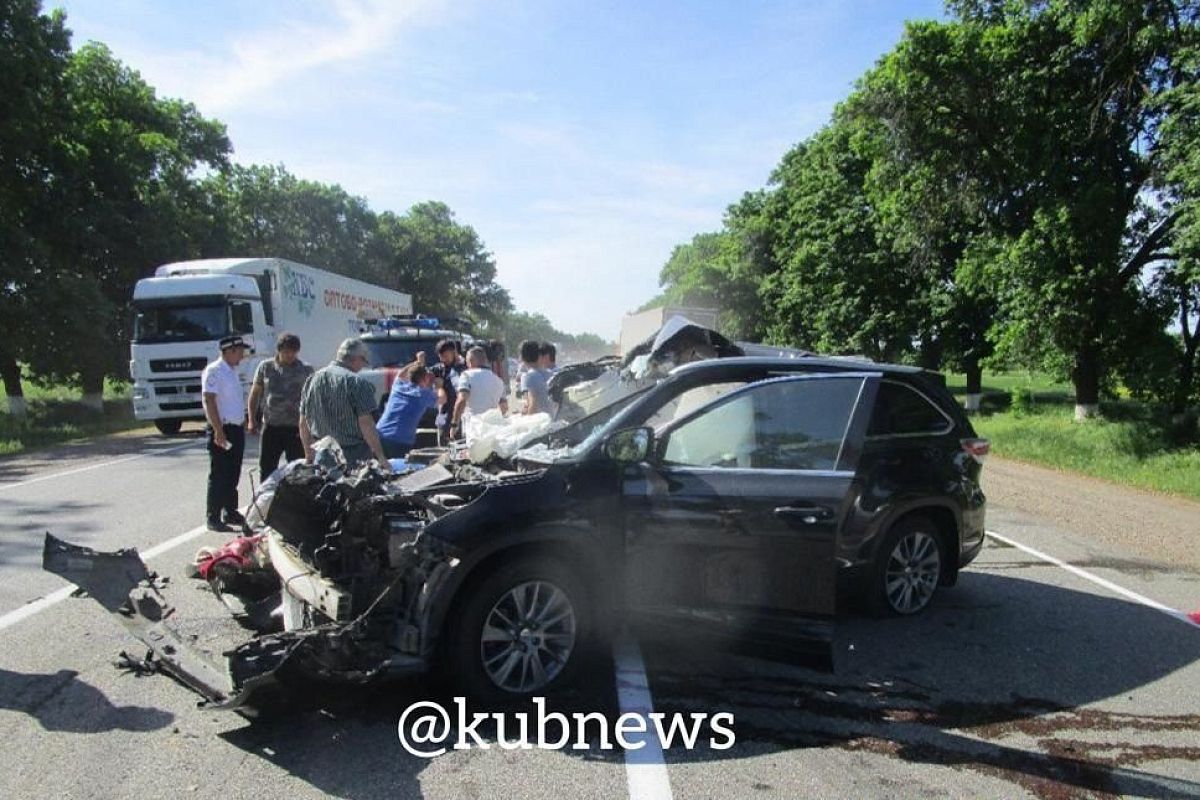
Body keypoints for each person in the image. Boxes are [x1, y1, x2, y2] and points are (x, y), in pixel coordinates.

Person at [298, 338, 389, 469]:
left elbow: (303, 422)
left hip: (323, 454)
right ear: (355, 359)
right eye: (363, 361)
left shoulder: (312, 379)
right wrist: (381, 457)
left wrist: (308, 455)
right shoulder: (357, 383)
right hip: (354, 456)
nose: (363, 366)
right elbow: (366, 424)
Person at [247, 332, 313, 480]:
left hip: (296, 428)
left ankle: (296, 502)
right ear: (279, 350)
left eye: (294, 352)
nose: (290, 355)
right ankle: (265, 501)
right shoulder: (266, 367)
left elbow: (312, 398)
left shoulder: (306, 370)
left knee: (298, 470)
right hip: (272, 426)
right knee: (267, 469)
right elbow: (255, 394)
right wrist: (251, 419)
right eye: (287, 351)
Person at [202, 335, 250, 532]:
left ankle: (230, 510)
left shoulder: (231, 371)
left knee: (233, 472)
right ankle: (213, 516)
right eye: (239, 351)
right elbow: (209, 400)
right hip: (222, 428)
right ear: (229, 351)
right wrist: (218, 430)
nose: (242, 355)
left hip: (235, 428)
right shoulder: (214, 371)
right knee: (219, 473)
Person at [376, 352, 437, 459]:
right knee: (397, 473)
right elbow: (442, 399)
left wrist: (416, 363)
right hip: (400, 441)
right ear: (425, 378)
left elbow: (401, 373)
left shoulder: (398, 386)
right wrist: (439, 386)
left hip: (379, 435)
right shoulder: (423, 394)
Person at [449, 346, 508, 440]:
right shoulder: (498, 380)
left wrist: (454, 424)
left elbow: (462, 400)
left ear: (471, 361)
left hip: (473, 428)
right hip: (492, 429)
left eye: (467, 362)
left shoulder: (466, 375)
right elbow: (504, 408)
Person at [428, 339, 466, 445]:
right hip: (443, 414)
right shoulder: (440, 368)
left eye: (445, 356)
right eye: (440, 357)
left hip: (460, 414)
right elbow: (424, 373)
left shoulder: (464, 367)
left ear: (454, 352)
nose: (442, 359)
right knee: (444, 446)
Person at [518, 339, 553, 416]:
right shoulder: (550, 373)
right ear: (539, 356)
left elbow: (533, 405)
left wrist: (526, 418)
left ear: (522, 358)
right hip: (554, 417)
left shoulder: (527, 376)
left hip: (542, 422)